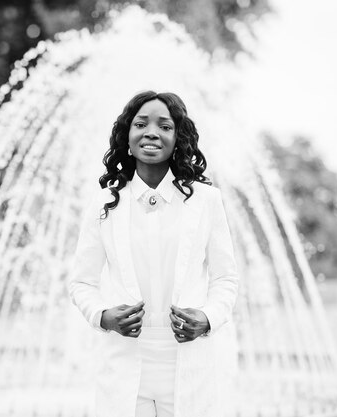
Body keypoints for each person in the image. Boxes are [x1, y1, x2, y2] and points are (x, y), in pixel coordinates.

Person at [68, 91, 238, 417]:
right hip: (124, 357)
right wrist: (103, 316)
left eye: (165, 126)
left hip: (188, 358)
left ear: (178, 138)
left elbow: (226, 278)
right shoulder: (104, 203)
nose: (151, 132)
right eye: (141, 123)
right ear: (126, 137)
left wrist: (208, 318)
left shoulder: (206, 201)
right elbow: (81, 283)